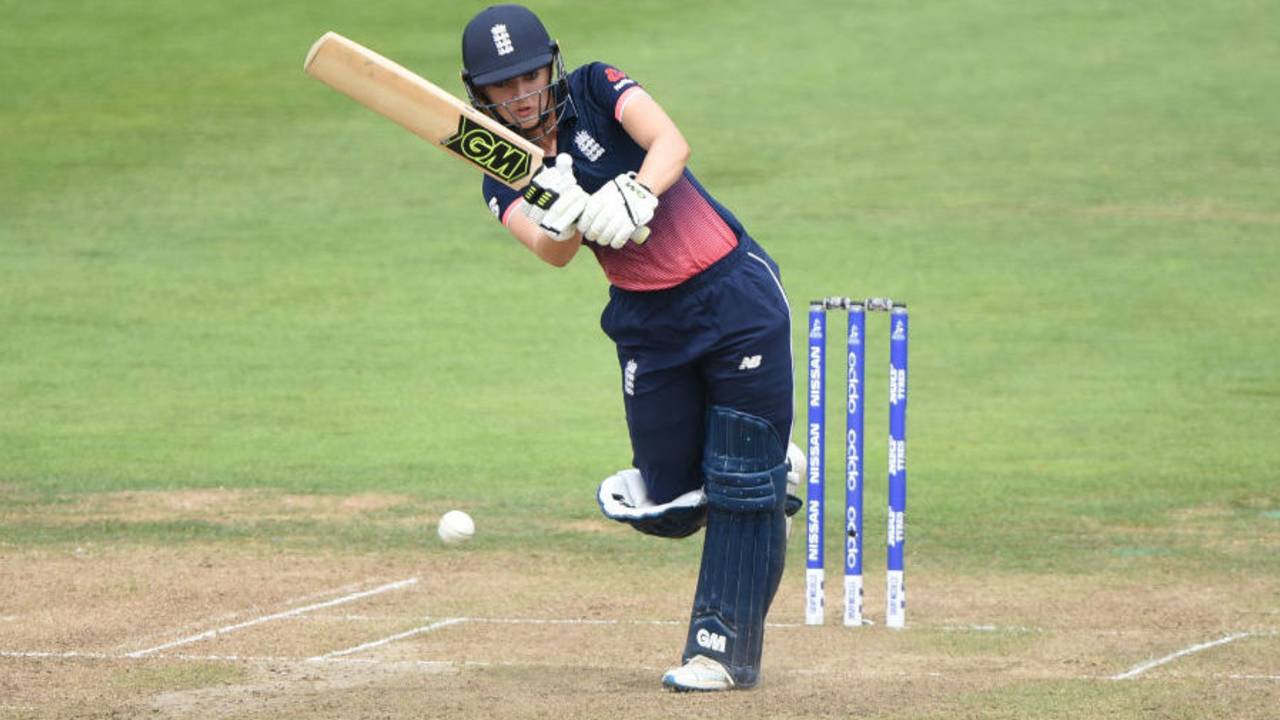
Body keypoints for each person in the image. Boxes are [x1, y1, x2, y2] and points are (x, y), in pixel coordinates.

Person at [460, 4, 803, 691]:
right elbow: (551, 253)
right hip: (647, 325)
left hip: (731, 296)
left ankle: (718, 650)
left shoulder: (594, 87)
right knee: (671, 506)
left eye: (530, 76)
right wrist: (563, 217)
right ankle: (773, 473)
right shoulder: (502, 164)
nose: (522, 95)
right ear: (480, 94)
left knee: (738, 481)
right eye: (503, 86)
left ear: (551, 65)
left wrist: (639, 196)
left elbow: (670, 143)